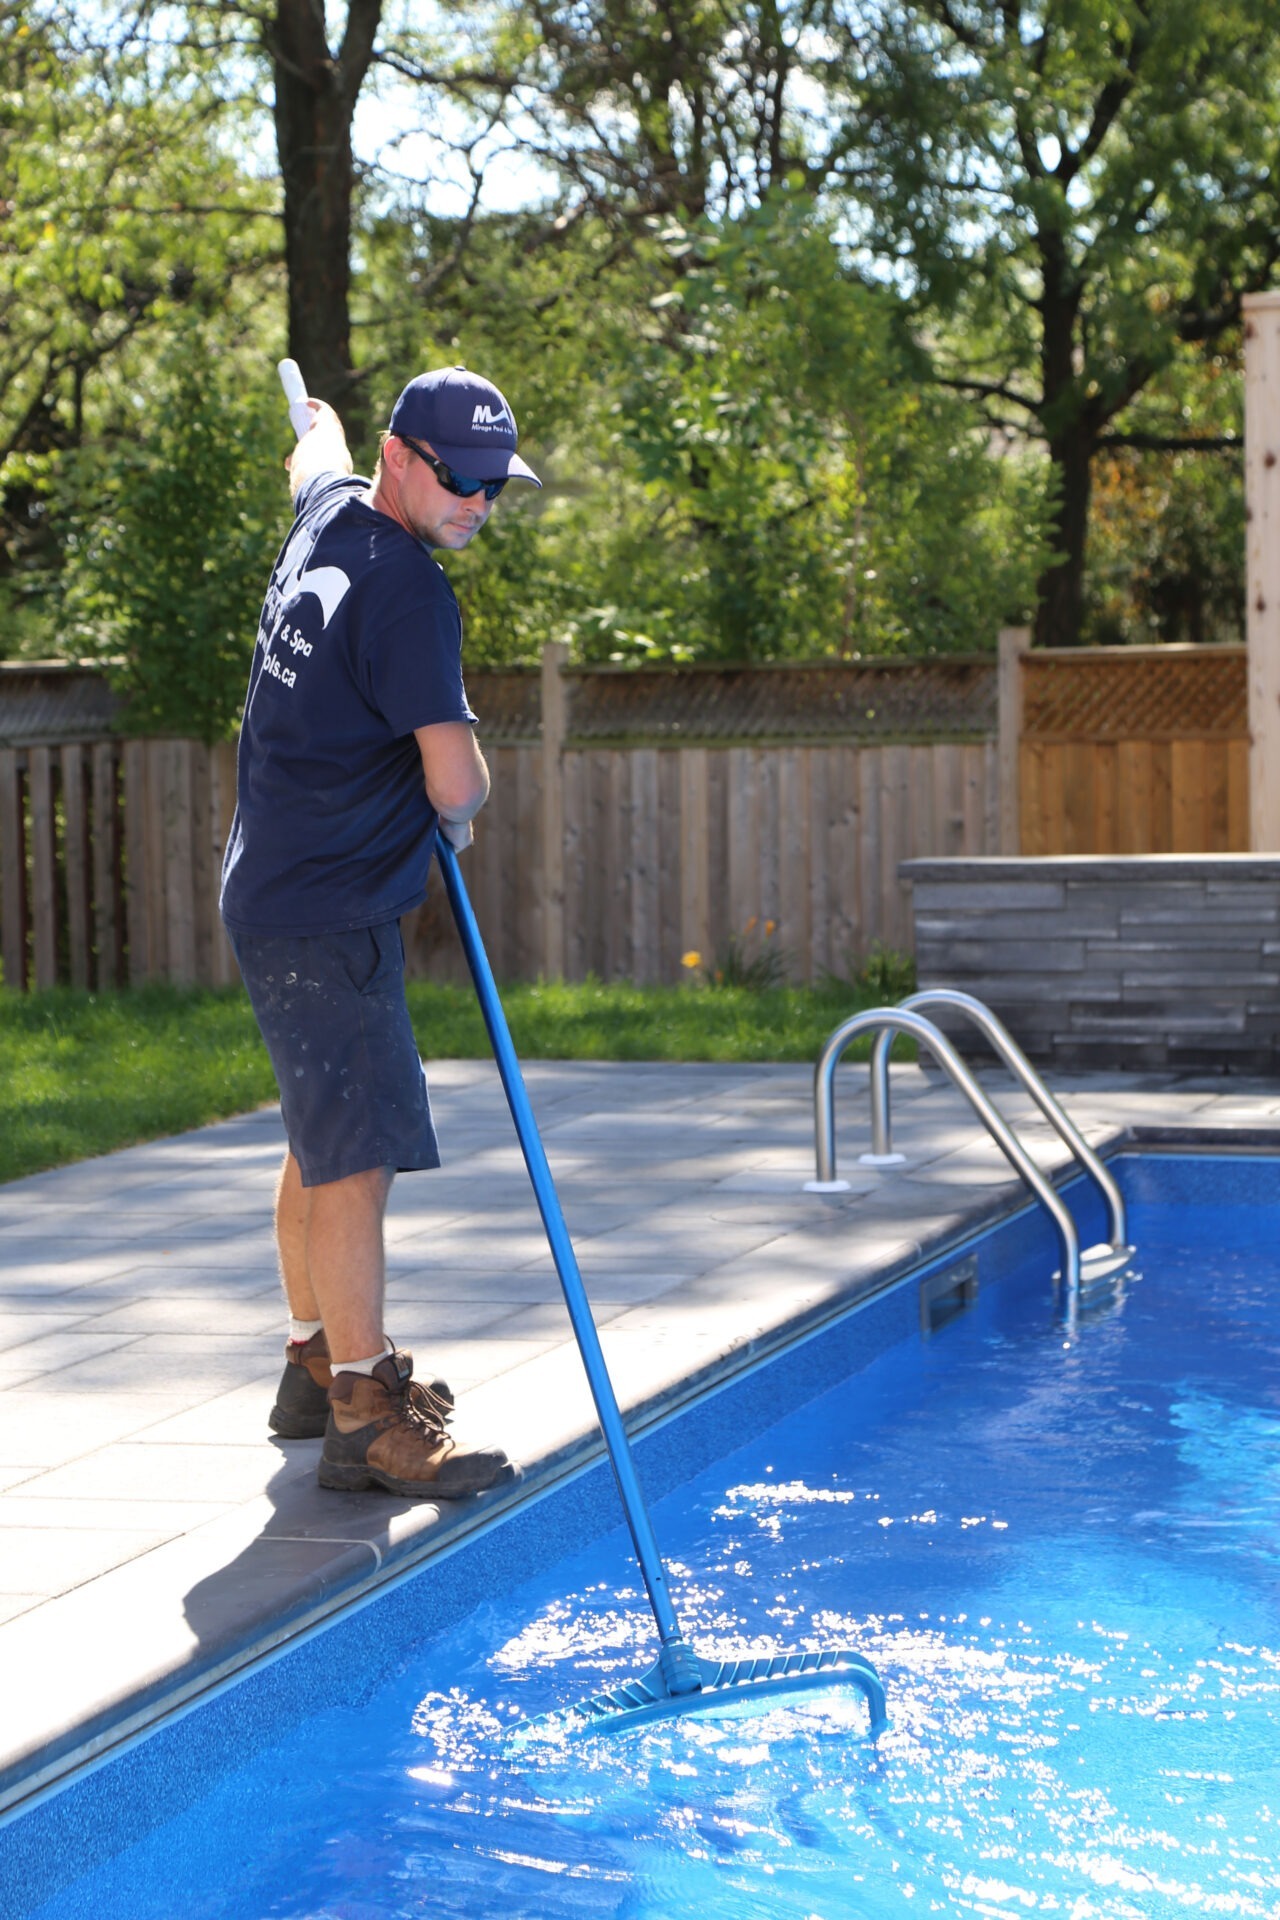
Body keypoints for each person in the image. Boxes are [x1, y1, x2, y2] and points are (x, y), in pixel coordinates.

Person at [220, 365, 541, 1500]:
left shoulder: (328, 510)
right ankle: (364, 1412)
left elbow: (315, 454)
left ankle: (311, 1358)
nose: (478, 505)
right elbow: (455, 778)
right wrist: (457, 806)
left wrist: (316, 431)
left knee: (320, 1130)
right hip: (329, 908)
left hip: (267, 888)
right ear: (405, 459)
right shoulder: (408, 588)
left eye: (496, 487)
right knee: (352, 1159)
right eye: (460, 479)